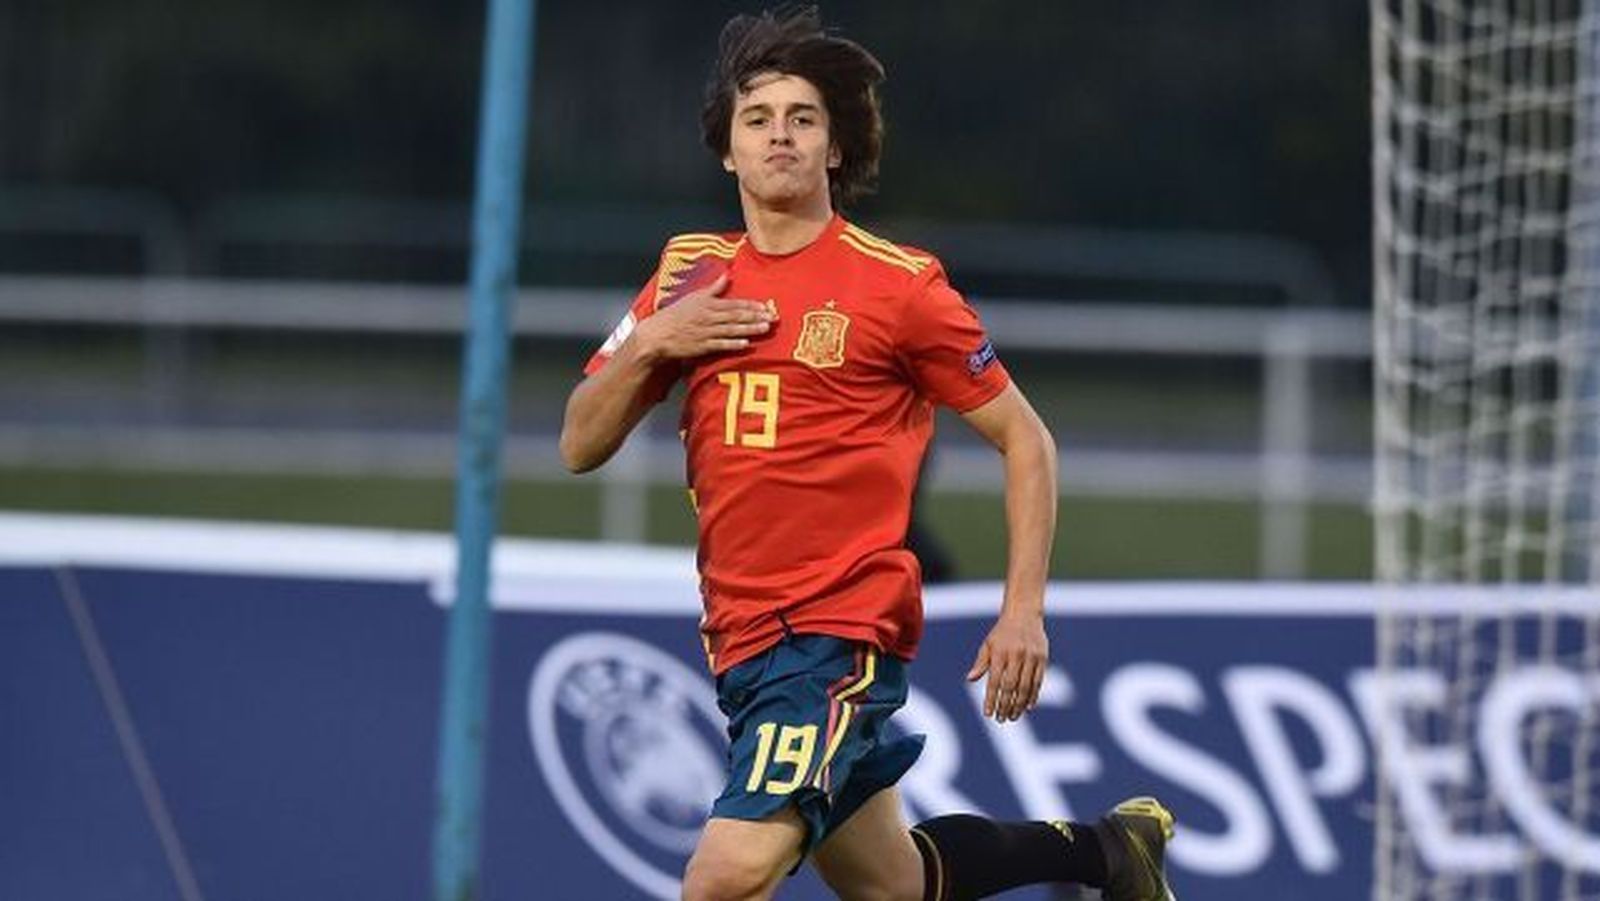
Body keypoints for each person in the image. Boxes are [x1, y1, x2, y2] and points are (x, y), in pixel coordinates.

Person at [560, 9, 1176, 900]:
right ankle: (1108, 853)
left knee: (722, 877)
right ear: (727, 151)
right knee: (895, 883)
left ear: (835, 148)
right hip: (739, 636)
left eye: (802, 118)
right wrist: (656, 340)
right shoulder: (688, 272)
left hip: (832, 633)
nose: (780, 135)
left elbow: (1025, 440)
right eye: (757, 118)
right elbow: (580, 440)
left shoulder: (898, 287)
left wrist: (1022, 612)